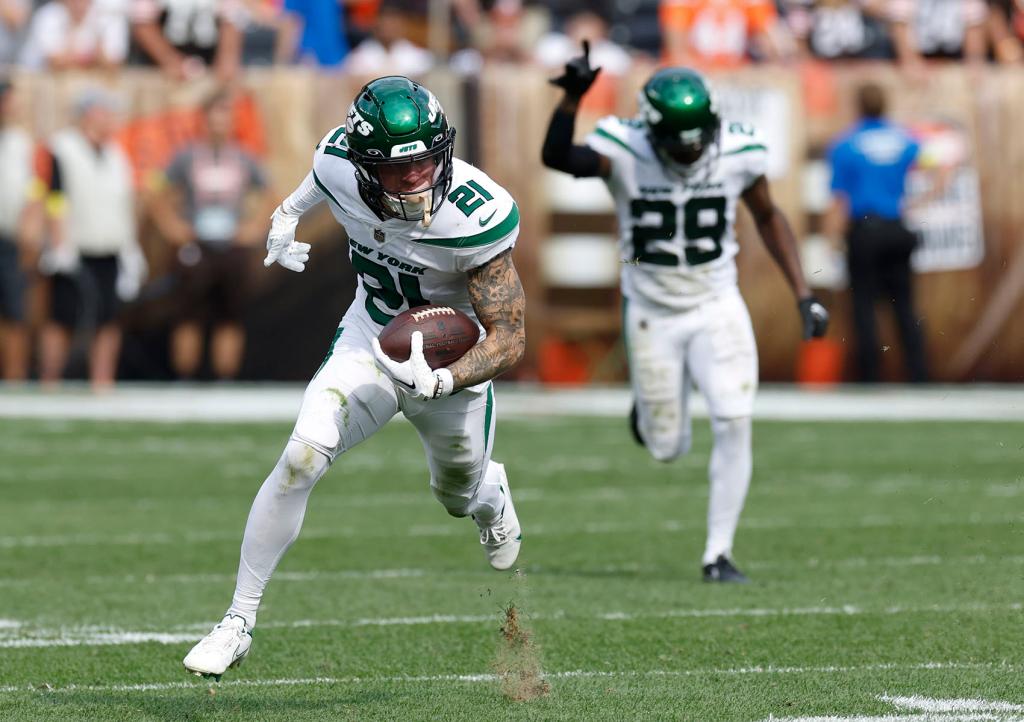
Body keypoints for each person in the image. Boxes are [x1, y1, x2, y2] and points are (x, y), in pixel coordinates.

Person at [182, 76, 526, 678]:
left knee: (456, 493)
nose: (417, 177)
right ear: (366, 167)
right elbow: (320, 177)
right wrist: (285, 216)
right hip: (371, 338)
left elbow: (510, 337)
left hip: (452, 359)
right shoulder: (340, 162)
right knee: (301, 457)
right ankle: (237, 621)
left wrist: (445, 381)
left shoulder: (477, 213)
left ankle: (489, 498)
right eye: (398, 170)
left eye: (427, 160)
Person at [541, 44, 828, 583]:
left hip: (717, 301)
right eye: (680, 144)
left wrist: (802, 293)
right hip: (651, 309)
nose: (693, 154)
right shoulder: (623, 147)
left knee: (735, 418)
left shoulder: (738, 152)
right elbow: (559, 158)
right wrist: (571, 101)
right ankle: (649, 417)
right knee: (667, 448)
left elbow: (769, 216)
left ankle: (717, 554)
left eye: (700, 142)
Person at [152, 89, 274, 381]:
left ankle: (224, 380)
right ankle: (185, 377)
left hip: (231, 245)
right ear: (203, 121)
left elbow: (272, 196)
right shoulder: (185, 156)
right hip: (196, 246)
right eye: (214, 118)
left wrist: (254, 229)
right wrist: (174, 227)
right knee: (188, 315)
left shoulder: (245, 158)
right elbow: (157, 194)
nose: (219, 124)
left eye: (225, 118)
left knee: (229, 316)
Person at [38, 89, 142, 389]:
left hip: (109, 247)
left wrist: (130, 247)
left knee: (108, 319)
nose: (110, 119)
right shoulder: (63, 147)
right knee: (63, 318)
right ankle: (50, 380)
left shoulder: (116, 153)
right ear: (89, 114)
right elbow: (55, 196)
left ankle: (102, 381)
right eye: (104, 112)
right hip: (74, 247)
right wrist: (59, 242)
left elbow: (124, 202)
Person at [826, 82, 928, 383]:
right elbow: (943, 164)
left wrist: (832, 239)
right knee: (905, 306)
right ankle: (919, 375)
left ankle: (870, 377)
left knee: (863, 308)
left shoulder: (845, 144)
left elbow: (839, 199)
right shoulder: (904, 139)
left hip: (865, 231)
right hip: (897, 227)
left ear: (858, 106)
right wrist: (920, 200)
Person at [0, 79, 33, 382]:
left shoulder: (19, 142)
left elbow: (31, 190)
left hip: (8, 238)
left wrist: (30, 225)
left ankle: (14, 379)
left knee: (14, 312)